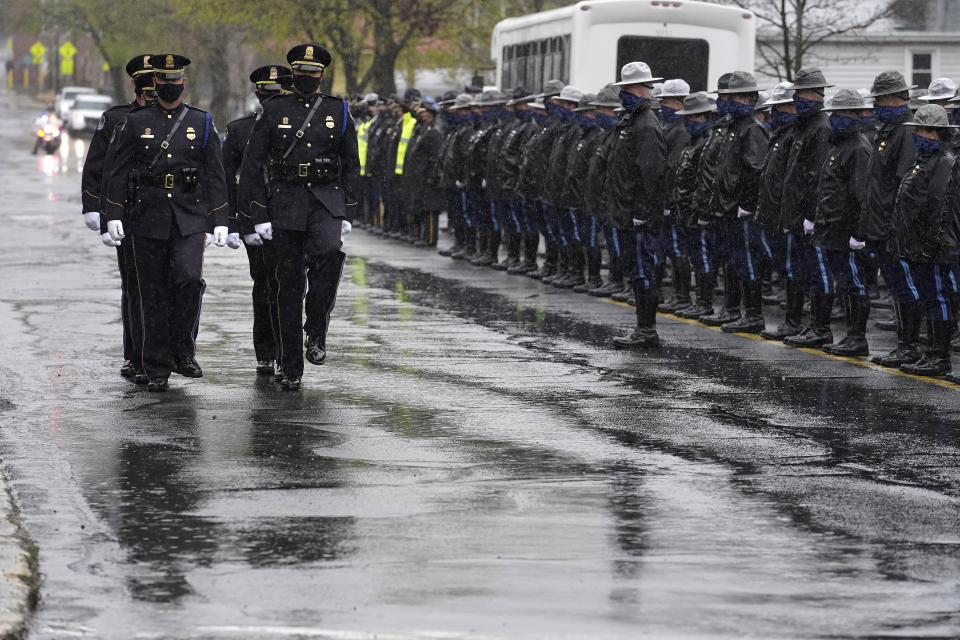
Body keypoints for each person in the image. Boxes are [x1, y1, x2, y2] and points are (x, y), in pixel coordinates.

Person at [102, 53, 230, 392]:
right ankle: (156, 366)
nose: (170, 86)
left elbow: (215, 175)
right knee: (152, 292)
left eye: (176, 81)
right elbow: (115, 172)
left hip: (189, 217)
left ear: (183, 83)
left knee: (188, 280)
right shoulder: (135, 121)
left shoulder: (201, 122)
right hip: (147, 216)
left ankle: (182, 349)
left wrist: (220, 219)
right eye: (164, 81)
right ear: (154, 83)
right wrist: (112, 214)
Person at [237, 43, 360, 391]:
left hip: (325, 199)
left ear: (322, 75)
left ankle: (316, 326)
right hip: (285, 201)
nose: (306, 77)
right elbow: (252, 167)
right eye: (301, 72)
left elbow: (351, 163)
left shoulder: (338, 110)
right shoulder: (274, 109)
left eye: (313, 73)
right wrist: (257, 213)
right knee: (286, 286)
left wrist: (349, 210)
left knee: (330, 255)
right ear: (293, 74)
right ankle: (290, 365)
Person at [80, 54, 156, 382]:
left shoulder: (181, 119)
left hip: (169, 213)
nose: (151, 97)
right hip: (128, 212)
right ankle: (137, 356)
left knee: (171, 286)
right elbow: (97, 165)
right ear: (135, 88)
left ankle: (167, 352)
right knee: (136, 287)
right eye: (145, 91)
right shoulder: (116, 119)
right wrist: (94, 207)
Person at [222, 64, 292, 377]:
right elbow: (226, 178)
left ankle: (287, 352)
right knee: (265, 286)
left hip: (293, 217)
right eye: (267, 94)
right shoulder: (239, 130)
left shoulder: (297, 125)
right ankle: (267, 352)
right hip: (255, 216)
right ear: (259, 95)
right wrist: (235, 221)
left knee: (290, 286)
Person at [889, 104, 957, 376]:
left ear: (934, 133)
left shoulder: (943, 162)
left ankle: (939, 356)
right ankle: (931, 353)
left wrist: (931, 245)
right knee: (929, 298)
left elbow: (940, 207)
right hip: (918, 246)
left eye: (919, 129)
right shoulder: (924, 162)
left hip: (935, 249)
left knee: (938, 298)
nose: (915, 134)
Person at [863, 71, 922, 367]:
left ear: (897, 99)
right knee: (897, 285)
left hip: (896, 226)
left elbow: (904, 183)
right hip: (880, 223)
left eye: (881, 99)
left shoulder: (906, 131)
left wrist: (896, 226)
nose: (876, 105)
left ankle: (911, 345)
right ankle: (904, 344)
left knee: (905, 285)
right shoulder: (886, 130)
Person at [607, 61, 667, 348]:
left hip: (638, 216)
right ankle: (642, 327)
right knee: (636, 270)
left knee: (643, 271)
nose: (625, 94)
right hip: (626, 212)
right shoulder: (631, 120)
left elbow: (652, 174)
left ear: (644, 90)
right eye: (624, 88)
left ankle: (647, 330)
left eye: (630, 89)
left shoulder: (646, 124)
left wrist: (643, 213)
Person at [812, 89, 872, 356]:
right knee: (845, 284)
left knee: (854, 284)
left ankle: (857, 337)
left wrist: (857, 233)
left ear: (857, 115)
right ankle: (850, 336)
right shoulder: (840, 146)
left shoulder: (858, 148)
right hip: (833, 229)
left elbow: (860, 195)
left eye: (841, 114)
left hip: (847, 231)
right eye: (833, 114)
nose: (835, 119)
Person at [778, 68, 834, 347]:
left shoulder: (821, 127)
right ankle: (808, 325)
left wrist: (811, 215)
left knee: (818, 271)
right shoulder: (805, 125)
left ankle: (821, 327)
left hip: (812, 216)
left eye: (801, 93)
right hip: (799, 213)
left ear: (816, 94)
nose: (797, 98)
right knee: (804, 270)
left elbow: (817, 175)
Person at [670, 91, 718, 317]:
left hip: (697, 210)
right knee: (693, 256)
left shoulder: (707, 143)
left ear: (702, 117)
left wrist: (702, 209)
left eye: (691, 117)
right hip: (685, 209)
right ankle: (687, 298)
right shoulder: (691, 143)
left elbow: (705, 180)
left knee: (702, 257)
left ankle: (704, 302)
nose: (687, 122)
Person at [656, 79, 692, 312]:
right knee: (669, 247)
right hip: (667, 199)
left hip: (673, 201)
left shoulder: (680, 130)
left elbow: (674, 168)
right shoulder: (671, 127)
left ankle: (682, 295)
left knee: (678, 249)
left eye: (666, 101)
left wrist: (669, 200)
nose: (662, 106)